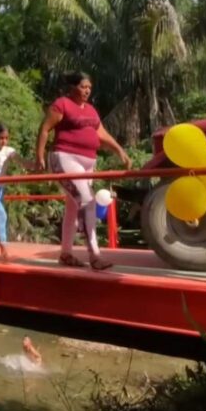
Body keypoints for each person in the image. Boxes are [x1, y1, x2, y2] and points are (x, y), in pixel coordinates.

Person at [36, 72, 131, 271]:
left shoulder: (90, 110)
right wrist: (40, 156)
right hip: (65, 157)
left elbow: (101, 133)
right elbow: (44, 129)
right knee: (88, 201)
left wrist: (119, 150)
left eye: (89, 87)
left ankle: (66, 253)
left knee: (73, 207)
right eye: (83, 87)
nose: (87, 91)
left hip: (88, 162)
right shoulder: (62, 104)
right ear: (73, 87)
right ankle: (95, 255)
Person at [0, 122, 35, 263]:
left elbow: (21, 161)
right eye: (1, 138)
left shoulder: (9, 151)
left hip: (0, 187)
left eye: (6, 138)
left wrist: (36, 164)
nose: (4, 141)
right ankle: (4, 251)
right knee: (1, 213)